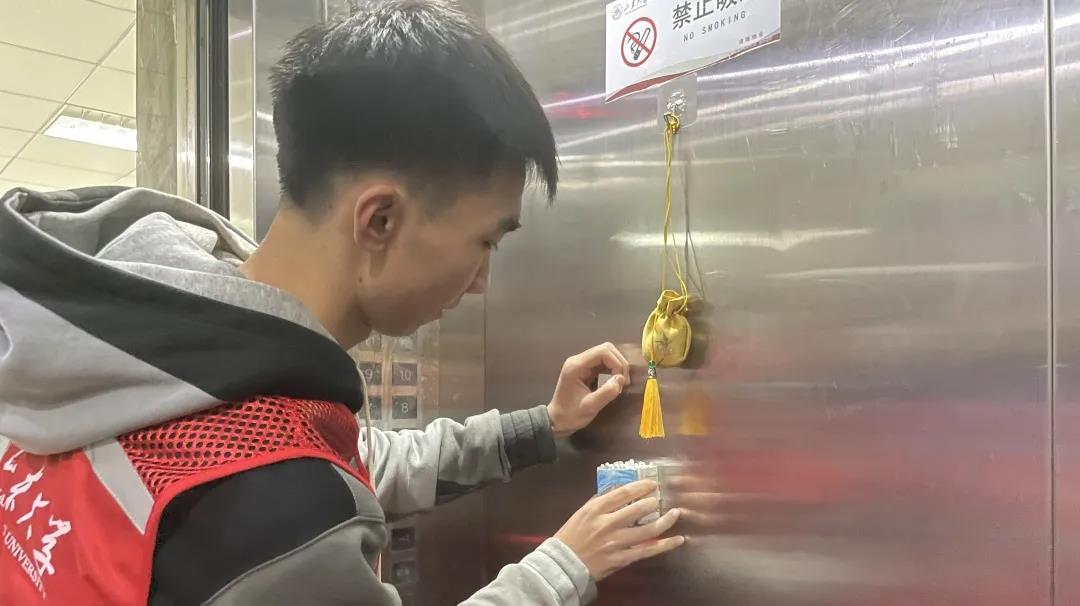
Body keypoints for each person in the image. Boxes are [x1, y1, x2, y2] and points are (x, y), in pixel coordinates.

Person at [0, 1, 685, 605]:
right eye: (485, 241)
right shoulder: (275, 504)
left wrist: (542, 427)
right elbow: (297, 496)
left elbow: (360, 461)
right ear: (379, 220)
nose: (481, 280)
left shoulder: (135, 348)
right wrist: (564, 566)